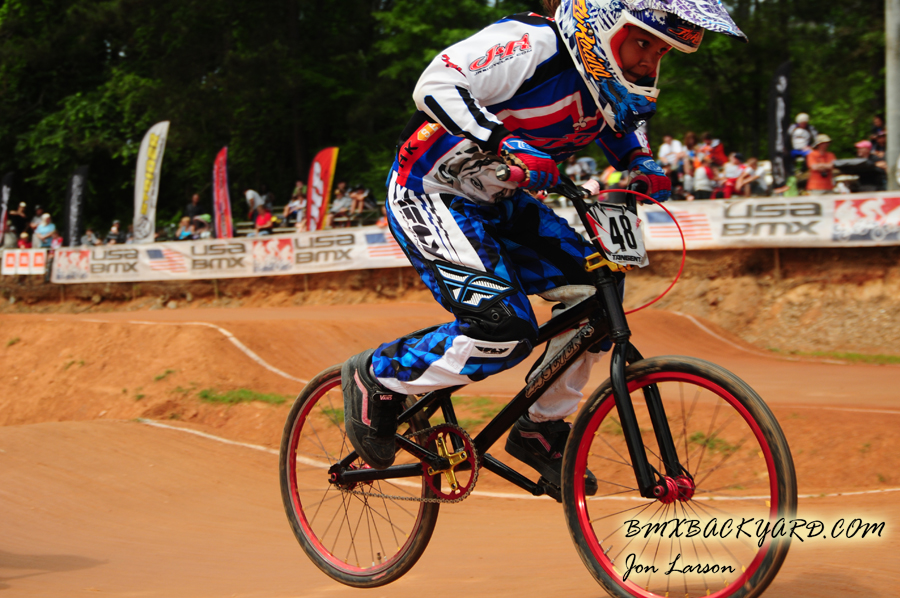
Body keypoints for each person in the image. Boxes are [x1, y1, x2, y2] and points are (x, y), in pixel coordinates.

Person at [339, 0, 746, 491]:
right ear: (605, 26)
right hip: (432, 191)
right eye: (643, 43)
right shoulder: (533, 45)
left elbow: (620, 120)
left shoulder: (611, 79)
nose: (648, 62)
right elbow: (435, 84)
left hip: (504, 199)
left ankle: (540, 428)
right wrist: (502, 140)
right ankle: (379, 376)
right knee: (504, 329)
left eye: (662, 53)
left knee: (596, 296)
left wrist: (641, 161)